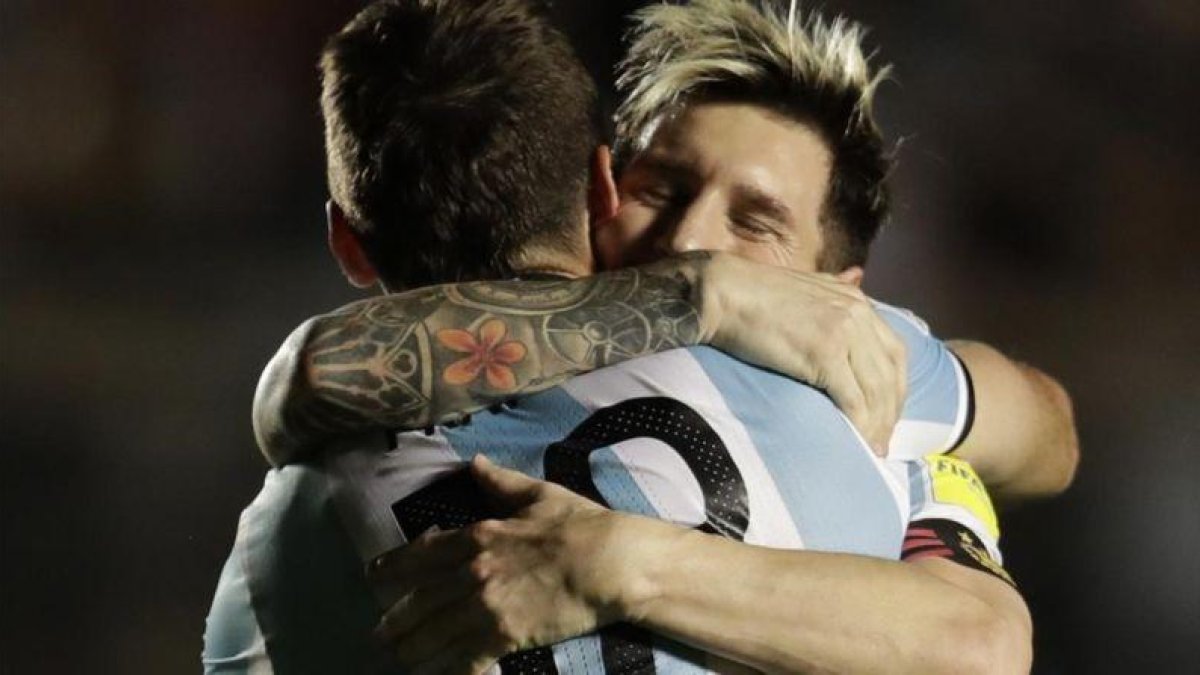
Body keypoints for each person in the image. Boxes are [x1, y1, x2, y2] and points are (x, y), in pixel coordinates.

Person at [205, 0, 1077, 672]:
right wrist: (709, 295)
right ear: (602, 187)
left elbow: (1046, 435)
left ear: (835, 299)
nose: (692, 243)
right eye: (663, 185)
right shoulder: (827, 411)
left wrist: (626, 560)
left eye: (755, 223)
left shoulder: (861, 378)